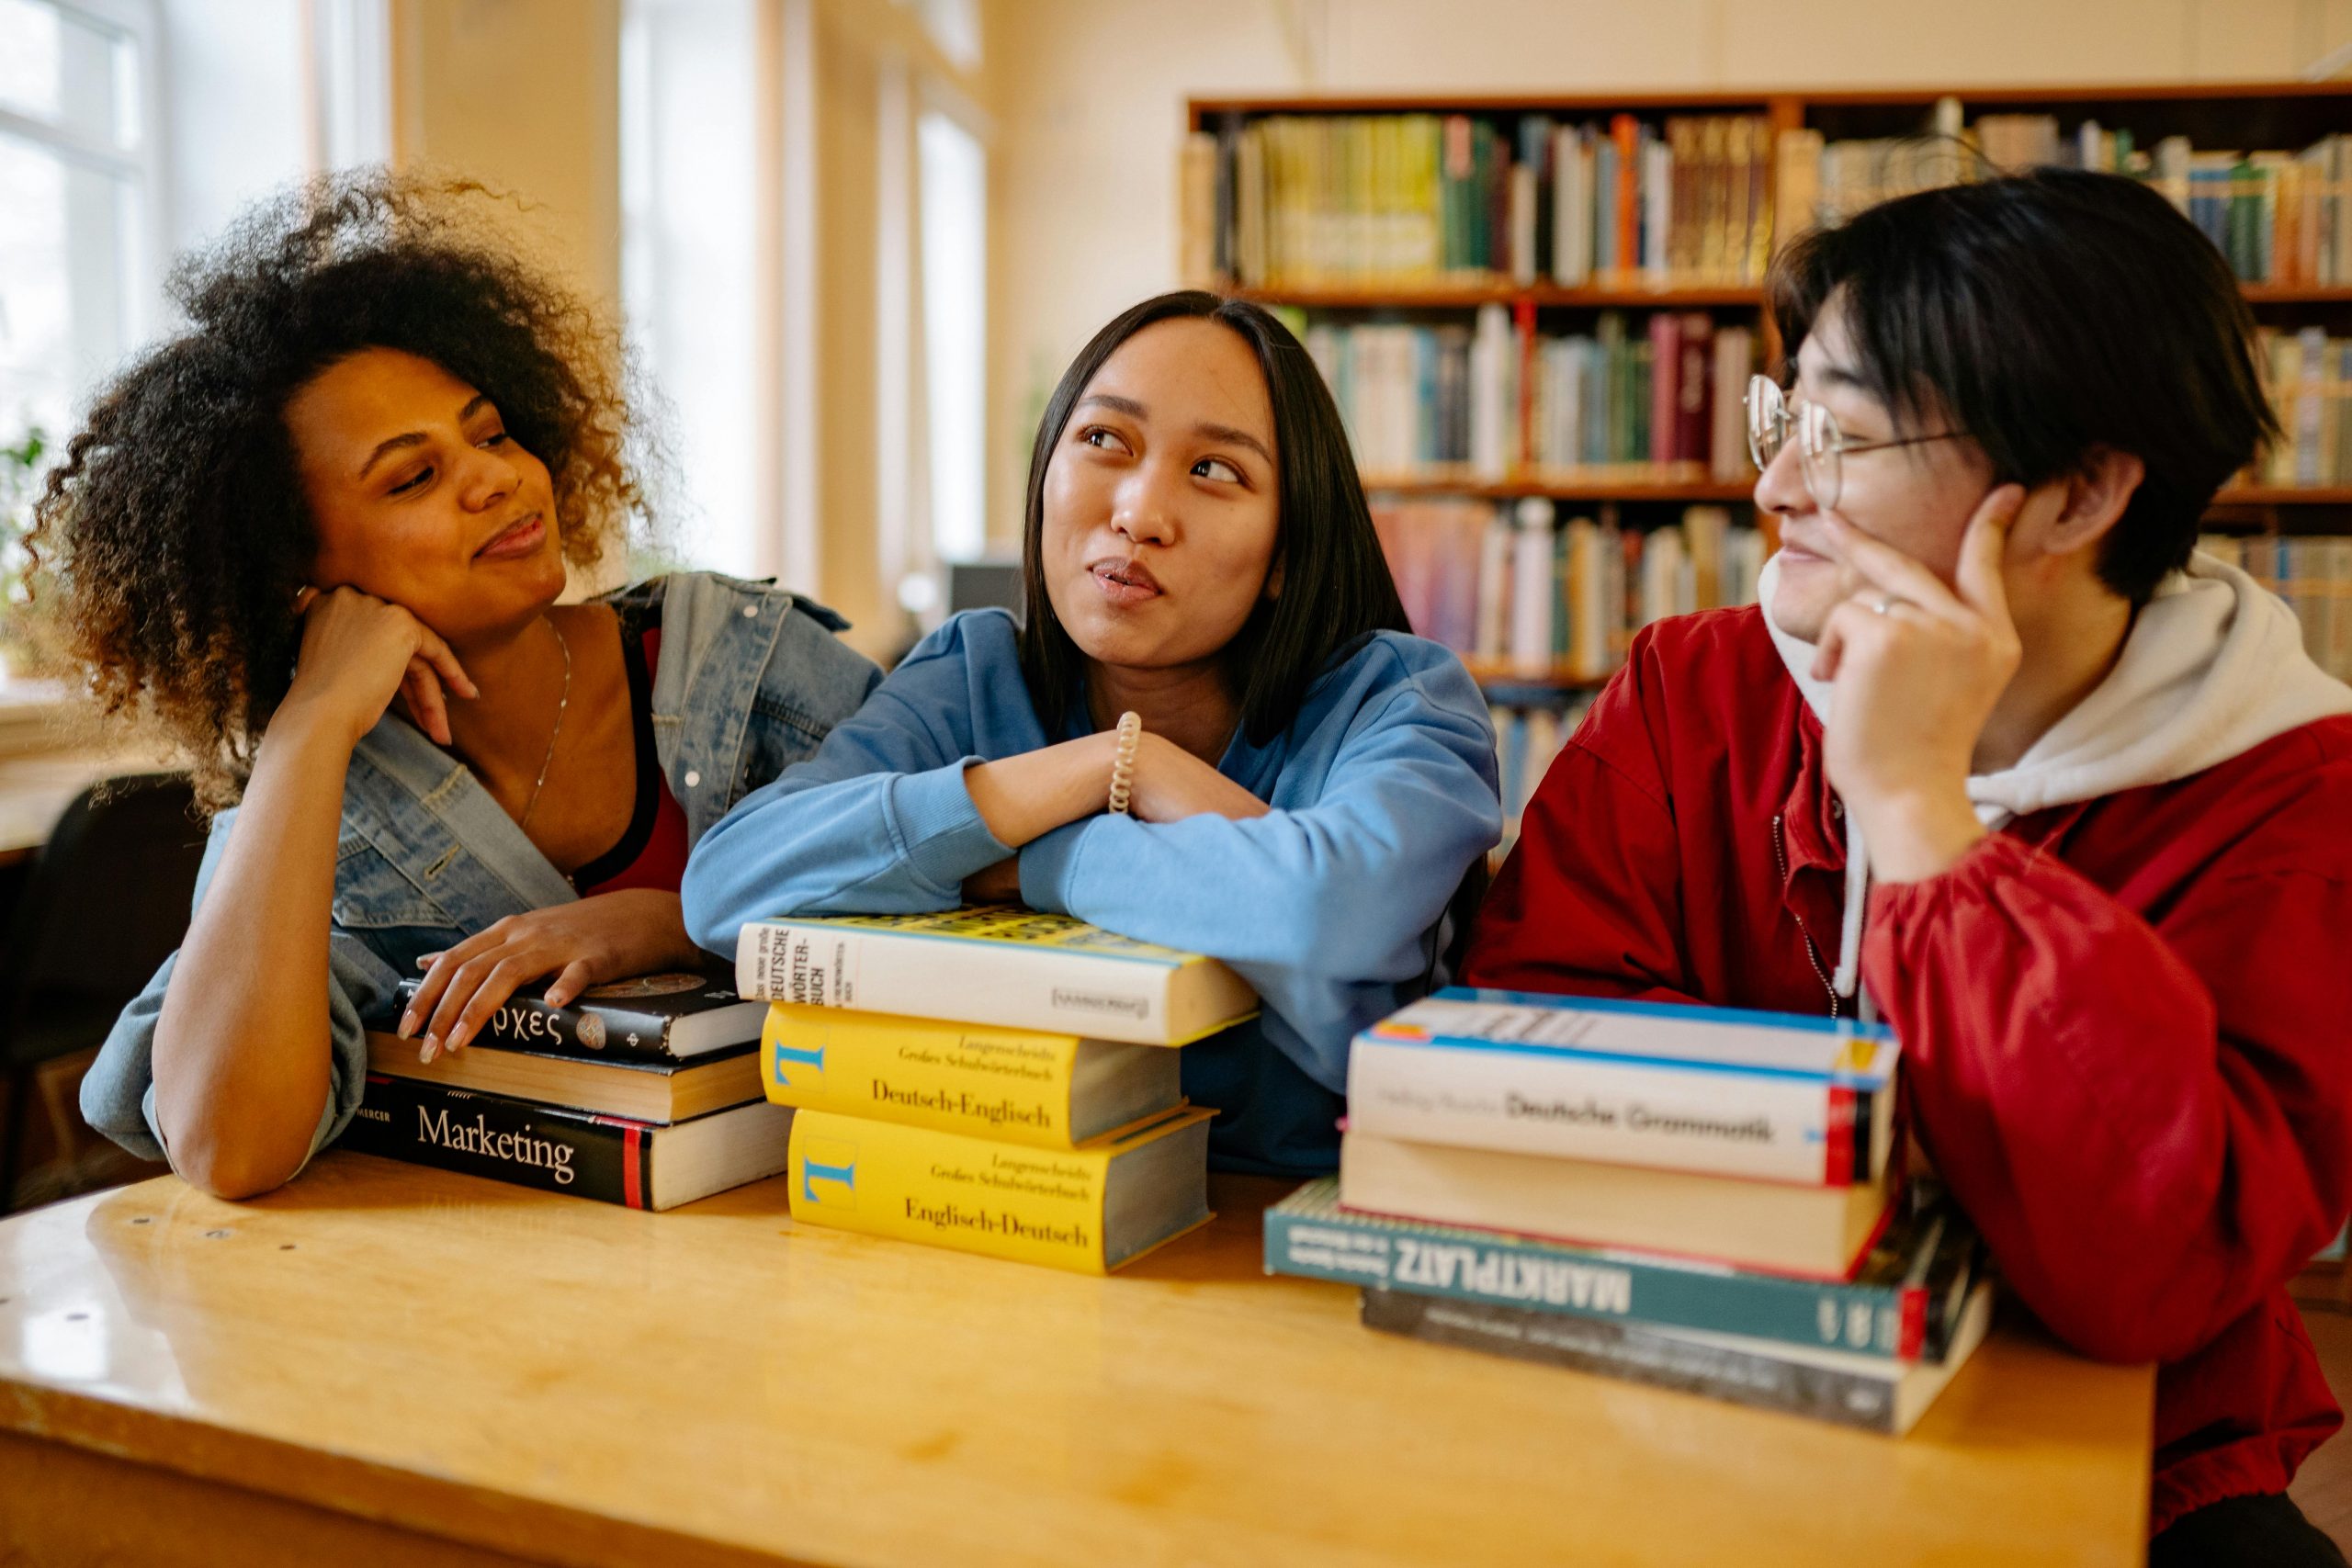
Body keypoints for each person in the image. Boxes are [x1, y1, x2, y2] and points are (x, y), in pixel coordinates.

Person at [1460, 167, 2352, 1562]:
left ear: (2075, 494)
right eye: (1784, 413)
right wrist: (1922, 1137)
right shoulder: (1695, 683)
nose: (1772, 482)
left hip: (2139, 1458)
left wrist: (1915, 808)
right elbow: (1534, 1024)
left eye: (1842, 433)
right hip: (1704, 1371)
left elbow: (2152, 1269)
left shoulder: (2297, 799)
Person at [51, 175, 880, 1200]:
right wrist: (310, 726)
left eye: (488, 435)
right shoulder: (324, 808)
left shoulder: (747, 668)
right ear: (295, 571)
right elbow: (227, 1146)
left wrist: (679, 919)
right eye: (412, 479)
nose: (495, 478)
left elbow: (984, 889)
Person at [681, 290, 1501, 1176]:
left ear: (1287, 555)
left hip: (1285, 1253)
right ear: (1045, 475)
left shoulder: (1404, 700)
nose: (1140, 513)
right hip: (998, 1213)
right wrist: (1101, 767)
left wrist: (1034, 861)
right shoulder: (971, 673)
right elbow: (727, 882)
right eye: (1107, 441)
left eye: (1217, 470)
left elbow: (1318, 912)